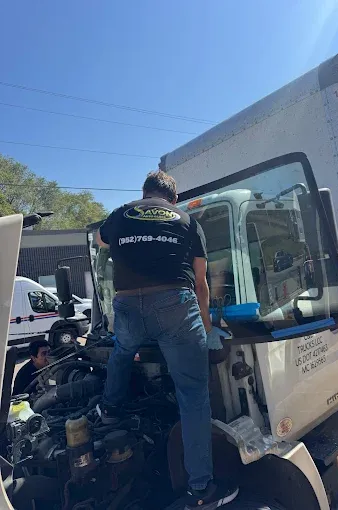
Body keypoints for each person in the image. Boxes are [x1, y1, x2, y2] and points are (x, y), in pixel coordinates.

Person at [96, 170, 239, 510]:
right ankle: (201, 489)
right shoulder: (188, 221)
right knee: (192, 395)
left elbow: (102, 242)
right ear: (173, 199)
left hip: (127, 305)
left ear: (144, 192)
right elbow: (201, 282)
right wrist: (206, 327)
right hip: (175, 304)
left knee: (122, 349)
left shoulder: (121, 212)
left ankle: (111, 410)